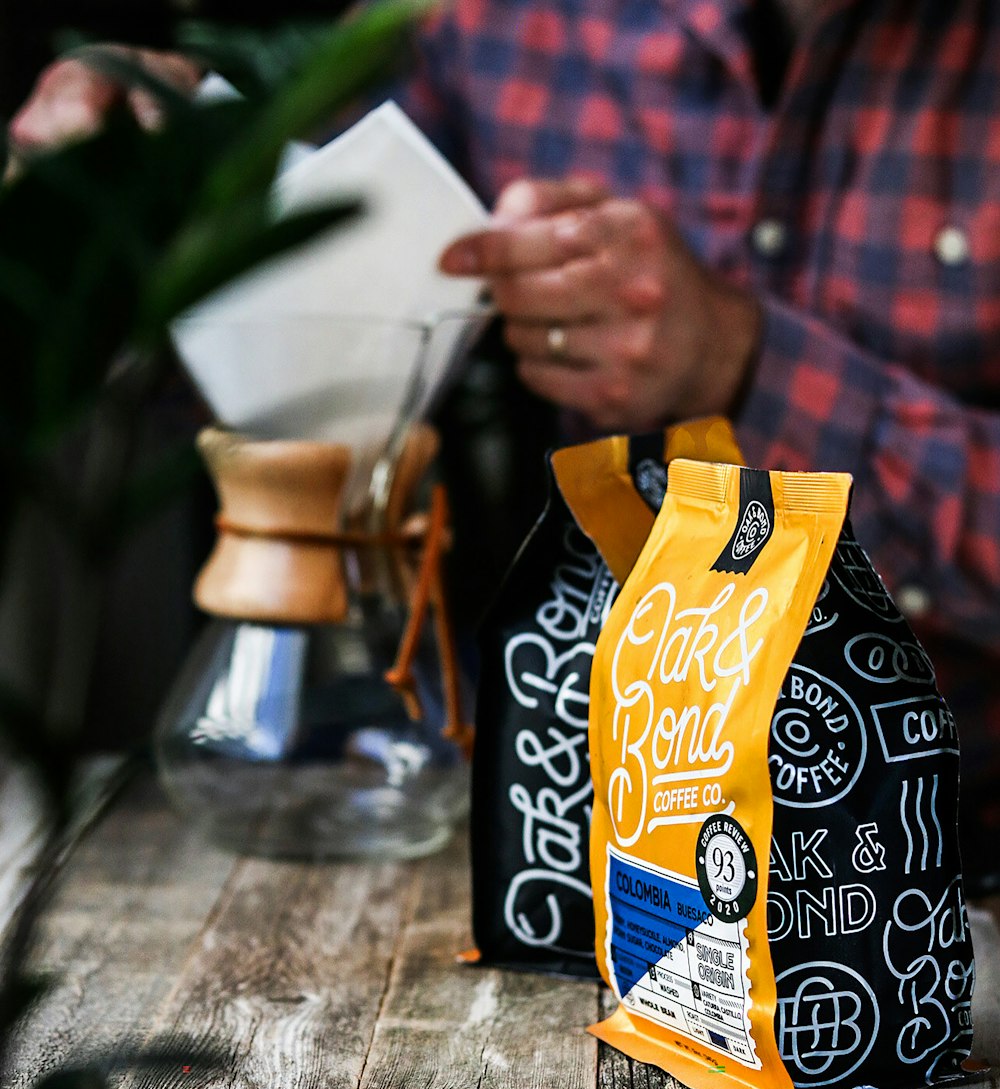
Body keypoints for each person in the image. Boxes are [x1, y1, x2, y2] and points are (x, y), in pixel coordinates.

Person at [10, 0, 1000, 889]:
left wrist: (742, 363)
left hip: (957, 849)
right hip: (570, 838)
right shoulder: (490, 26)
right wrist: (135, 191)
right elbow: (295, 310)